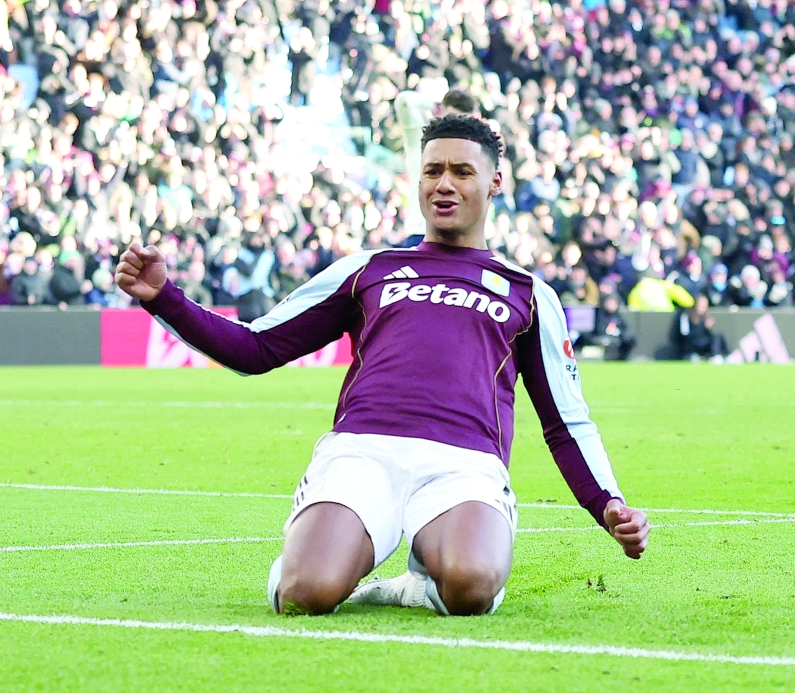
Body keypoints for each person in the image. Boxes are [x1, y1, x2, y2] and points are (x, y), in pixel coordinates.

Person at [115, 115, 649, 617]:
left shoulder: (529, 293)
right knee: (307, 593)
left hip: (464, 466)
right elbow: (256, 349)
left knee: (472, 587)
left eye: (463, 171)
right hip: (363, 454)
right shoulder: (369, 270)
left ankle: (412, 587)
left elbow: (565, 422)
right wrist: (164, 297)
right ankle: (322, 557)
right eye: (433, 170)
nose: (445, 183)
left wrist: (608, 505)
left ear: (494, 183)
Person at [396, 88, 480, 248]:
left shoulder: (471, 151)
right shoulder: (421, 139)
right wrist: (432, 105)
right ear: (441, 113)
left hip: (457, 237)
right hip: (421, 232)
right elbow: (404, 101)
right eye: (452, 118)